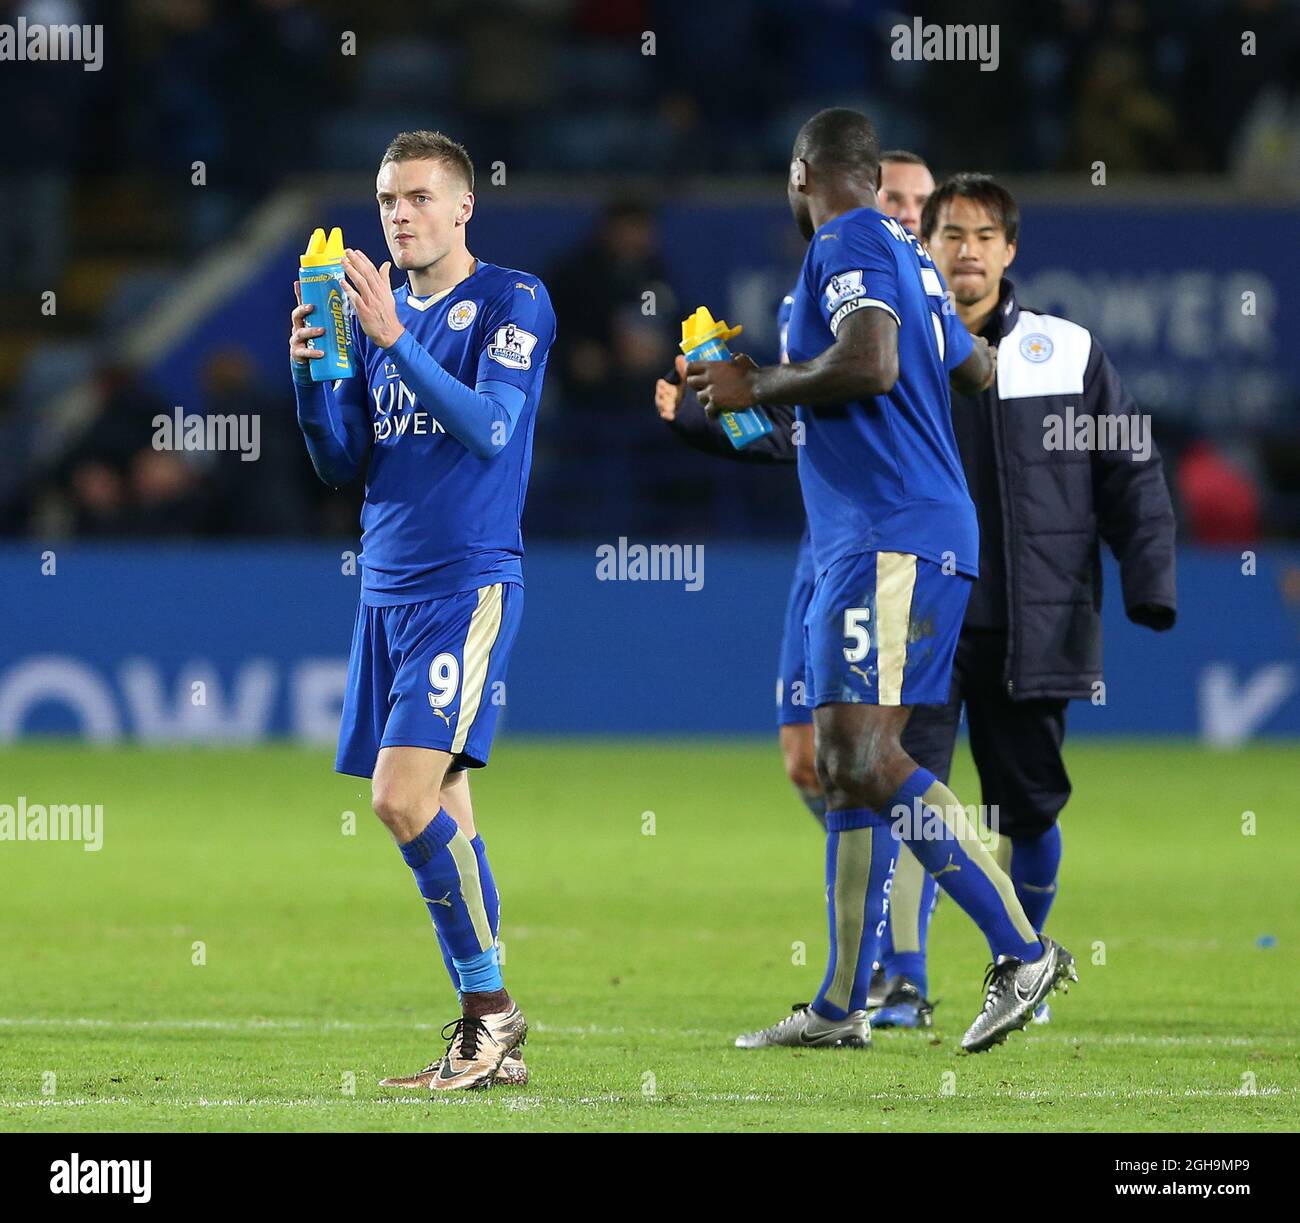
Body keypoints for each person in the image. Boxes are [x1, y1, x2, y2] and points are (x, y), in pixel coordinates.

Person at [688, 108, 1076, 1054]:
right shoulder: (907, 257)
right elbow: (975, 367)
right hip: (904, 534)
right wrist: (770, 400)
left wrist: (760, 384)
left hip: (887, 538)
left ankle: (1022, 951)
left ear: (801, 175)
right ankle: (839, 1003)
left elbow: (869, 361)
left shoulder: (848, 237)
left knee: (860, 756)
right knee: (850, 764)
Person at [655, 151, 949, 1029]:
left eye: (914, 202)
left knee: (876, 759)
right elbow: (800, 435)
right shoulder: (823, 288)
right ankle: (853, 988)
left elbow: (883, 387)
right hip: (829, 547)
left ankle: (917, 965)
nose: (898, 212)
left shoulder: (915, 296)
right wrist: (710, 419)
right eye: (890, 196)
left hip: (900, 545)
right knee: (818, 760)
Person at [289, 129, 555, 1090]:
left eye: (417, 197)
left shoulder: (511, 299)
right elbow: (342, 462)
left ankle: (490, 1011)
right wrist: (315, 376)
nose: (399, 214)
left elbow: (492, 426)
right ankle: (487, 1038)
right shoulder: (372, 315)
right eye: (387, 200)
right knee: (445, 808)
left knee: (398, 799)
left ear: (463, 207)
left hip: (467, 583)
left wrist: (395, 339)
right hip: (385, 587)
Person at [879, 173, 1176, 1019]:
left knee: (1030, 805)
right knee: (911, 796)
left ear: (1010, 250)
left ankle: (1023, 967)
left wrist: (1148, 581)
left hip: (1032, 623)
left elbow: (1131, 473)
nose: (966, 249)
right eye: (950, 235)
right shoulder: (893, 347)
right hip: (921, 616)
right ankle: (907, 980)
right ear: (925, 249)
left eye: (983, 235)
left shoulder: (1067, 350)